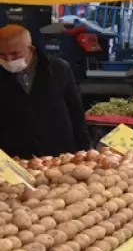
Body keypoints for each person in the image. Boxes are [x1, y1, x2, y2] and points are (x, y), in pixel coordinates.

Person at [0, 24, 90, 158]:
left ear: (31, 49)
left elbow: (75, 111)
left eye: (15, 54)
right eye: (2, 55)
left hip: (59, 155)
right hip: (14, 158)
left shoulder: (59, 69)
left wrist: (85, 148)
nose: (9, 60)